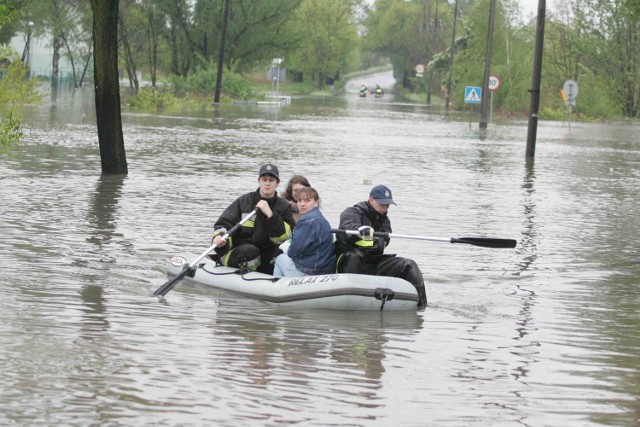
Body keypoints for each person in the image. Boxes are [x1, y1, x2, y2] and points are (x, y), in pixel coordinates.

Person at [334, 184, 428, 309]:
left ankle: (421, 306)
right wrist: (359, 231)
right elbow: (347, 229)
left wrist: (374, 241)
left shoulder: (384, 220)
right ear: (371, 200)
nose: (385, 208)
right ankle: (352, 303)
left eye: (387, 205)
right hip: (349, 260)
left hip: (373, 261)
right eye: (382, 204)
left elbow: (384, 242)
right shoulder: (352, 212)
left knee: (409, 265)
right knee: (355, 256)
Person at [212, 163, 295, 275]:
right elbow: (224, 223)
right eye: (264, 179)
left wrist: (271, 215)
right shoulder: (244, 201)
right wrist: (220, 238)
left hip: (267, 256)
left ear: (277, 183)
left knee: (280, 253)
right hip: (242, 253)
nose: (267, 183)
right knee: (250, 251)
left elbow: (286, 237)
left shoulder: (284, 207)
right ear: (259, 181)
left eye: (271, 180)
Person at [273, 187, 335, 277]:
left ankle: (276, 287)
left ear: (316, 202)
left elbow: (293, 251)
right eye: (299, 201)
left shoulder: (307, 221)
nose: (302, 204)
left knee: (280, 258)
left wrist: (286, 248)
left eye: (307, 201)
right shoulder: (322, 219)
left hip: (310, 272)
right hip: (324, 270)